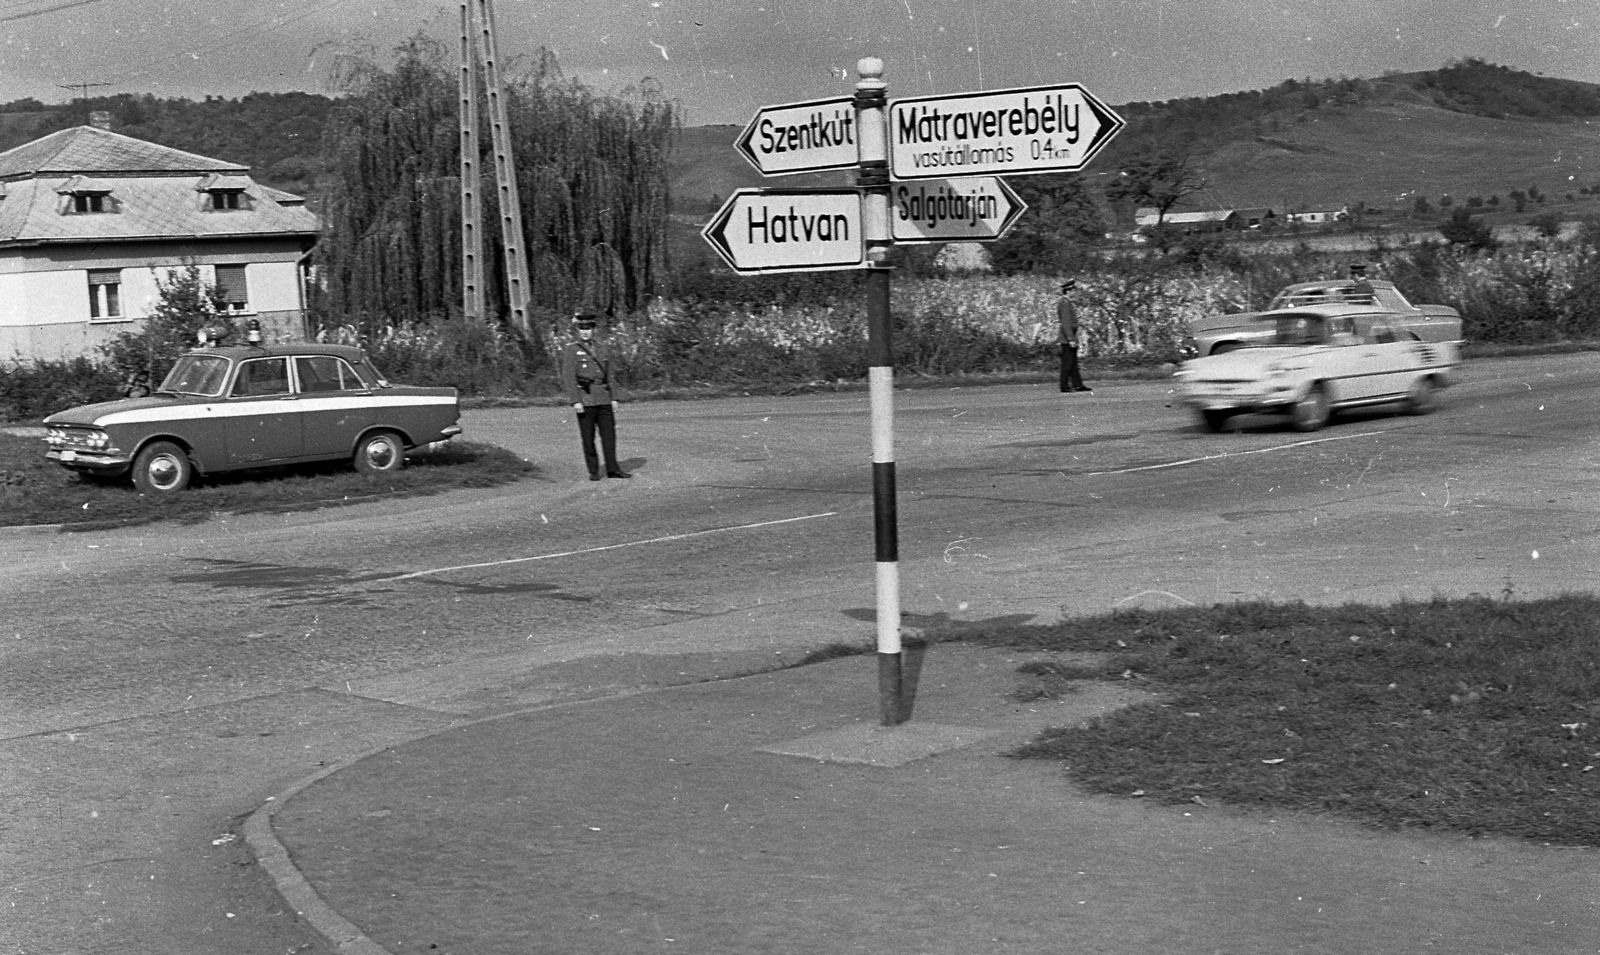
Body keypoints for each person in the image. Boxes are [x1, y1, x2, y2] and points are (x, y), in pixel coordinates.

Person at [560, 312, 631, 481]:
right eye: (582, 329)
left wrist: (614, 398)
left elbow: (610, 374)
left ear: (594, 329)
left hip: (603, 397)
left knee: (609, 435)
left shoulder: (602, 348)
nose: (585, 332)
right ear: (578, 330)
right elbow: (569, 377)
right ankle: (593, 470)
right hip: (586, 398)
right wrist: (576, 401)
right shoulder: (572, 350)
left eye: (588, 328)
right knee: (588, 437)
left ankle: (613, 468)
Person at [1057, 279, 1091, 393]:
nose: (1074, 293)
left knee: (1073, 362)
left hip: (1071, 336)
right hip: (1067, 338)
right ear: (1068, 291)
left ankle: (1077, 384)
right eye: (1072, 291)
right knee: (1067, 363)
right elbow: (1066, 323)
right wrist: (1070, 339)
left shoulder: (1066, 303)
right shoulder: (1065, 304)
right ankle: (1064, 385)